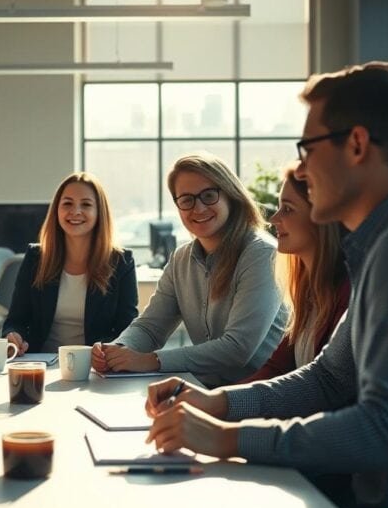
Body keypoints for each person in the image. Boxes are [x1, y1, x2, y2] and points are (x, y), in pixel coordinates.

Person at [144, 62, 388, 508]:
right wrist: (220, 403)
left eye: (308, 149)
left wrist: (230, 439)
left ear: (356, 145)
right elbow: (330, 377)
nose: (300, 169)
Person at [91, 153, 288, 387]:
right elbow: (151, 326)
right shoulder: (181, 259)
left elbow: (238, 348)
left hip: (257, 398)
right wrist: (118, 350)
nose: (199, 207)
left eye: (208, 195)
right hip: (206, 389)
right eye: (186, 200)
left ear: (230, 195)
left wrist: (151, 361)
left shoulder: (262, 253)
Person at [2, 172, 138, 355]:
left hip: (94, 366)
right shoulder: (36, 257)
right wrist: (13, 335)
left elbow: (127, 329)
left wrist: (104, 350)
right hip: (41, 362)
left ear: (99, 212)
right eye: (67, 203)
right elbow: (15, 320)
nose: (75, 211)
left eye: (86, 204)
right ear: (56, 210)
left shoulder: (121, 262)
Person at [240, 165, 349, 382]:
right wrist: (211, 399)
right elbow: (276, 368)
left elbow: (323, 387)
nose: (274, 219)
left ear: (321, 218)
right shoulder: (307, 289)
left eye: (288, 209)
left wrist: (218, 404)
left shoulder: (348, 292)